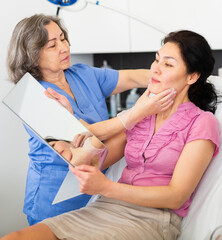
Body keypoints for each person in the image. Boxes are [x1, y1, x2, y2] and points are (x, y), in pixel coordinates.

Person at [2, 29, 222, 240]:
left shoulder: (202, 123)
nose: (155, 69)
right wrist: (70, 138)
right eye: (156, 59)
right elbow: (97, 158)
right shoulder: (144, 115)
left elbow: (176, 197)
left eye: (167, 64)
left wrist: (107, 187)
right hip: (107, 206)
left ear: (192, 76)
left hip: (152, 217)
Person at [6, 14, 176, 226]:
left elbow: (133, 77)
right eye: (52, 45)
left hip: (95, 192)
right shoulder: (31, 99)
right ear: (32, 54)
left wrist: (170, 76)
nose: (64, 47)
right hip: (54, 201)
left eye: (63, 38)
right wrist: (137, 113)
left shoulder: (81, 74)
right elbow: (83, 143)